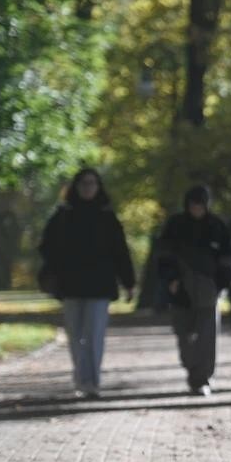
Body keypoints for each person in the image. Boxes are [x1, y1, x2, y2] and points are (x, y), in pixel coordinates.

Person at [38, 168, 135, 398]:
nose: (88, 188)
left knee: (94, 335)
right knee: (75, 335)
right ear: (76, 187)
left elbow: (120, 252)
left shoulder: (107, 216)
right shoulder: (63, 215)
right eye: (83, 183)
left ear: (99, 187)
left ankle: (91, 382)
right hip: (70, 285)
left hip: (99, 286)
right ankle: (81, 379)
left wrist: (129, 282)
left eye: (92, 183)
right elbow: (46, 247)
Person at [157, 186, 231, 396]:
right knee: (184, 337)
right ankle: (192, 370)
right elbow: (163, 255)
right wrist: (171, 279)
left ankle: (202, 378)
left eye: (200, 204)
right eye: (193, 204)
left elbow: (229, 258)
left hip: (208, 292)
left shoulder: (217, 226)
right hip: (180, 290)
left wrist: (220, 284)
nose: (196, 208)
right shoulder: (175, 225)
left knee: (207, 337)